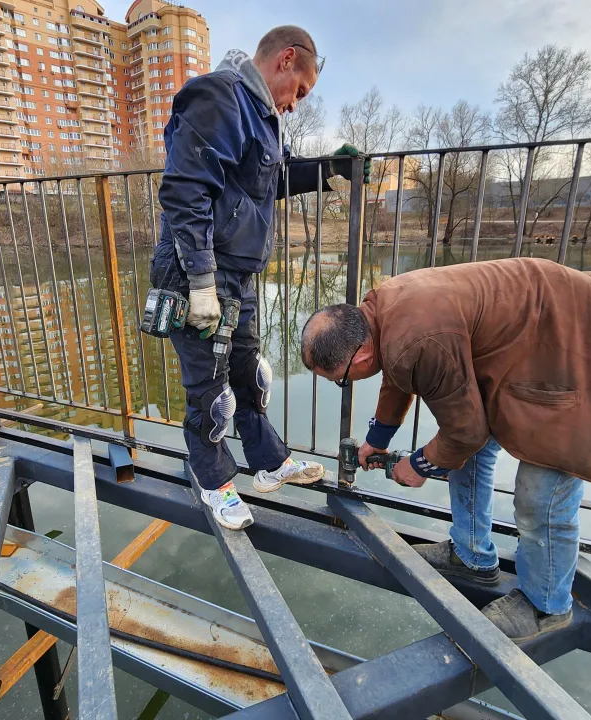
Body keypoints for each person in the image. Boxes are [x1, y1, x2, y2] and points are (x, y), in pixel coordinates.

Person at [300, 258, 591, 641]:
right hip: (541, 339)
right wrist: (377, 439)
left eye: (340, 380)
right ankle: (472, 556)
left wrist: (420, 465)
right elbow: (402, 376)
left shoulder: (413, 339)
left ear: (360, 356)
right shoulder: (380, 312)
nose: (344, 383)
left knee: (541, 487)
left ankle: (547, 605)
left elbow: (466, 432)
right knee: (463, 448)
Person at [150, 26, 371, 530]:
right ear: (285, 60)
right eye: (300, 90)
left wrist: (329, 168)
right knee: (208, 388)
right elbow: (184, 192)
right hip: (197, 273)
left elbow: (270, 181)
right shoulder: (219, 95)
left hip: (237, 275)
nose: (296, 105)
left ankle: (268, 463)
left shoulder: (260, 113)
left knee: (247, 372)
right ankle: (215, 484)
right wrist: (201, 282)